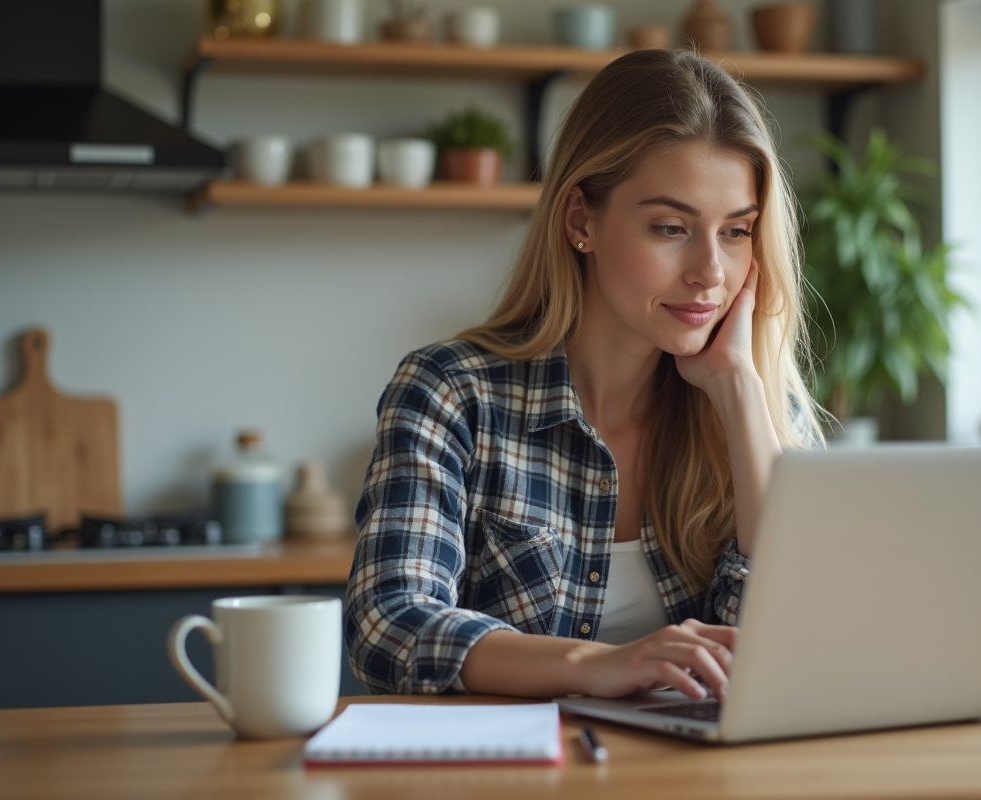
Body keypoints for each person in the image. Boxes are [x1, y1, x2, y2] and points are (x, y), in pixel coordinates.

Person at [345, 49, 823, 703]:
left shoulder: (760, 410)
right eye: (671, 227)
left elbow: (800, 643)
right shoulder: (452, 393)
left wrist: (739, 389)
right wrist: (596, 664)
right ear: (581, 221)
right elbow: (389, 625)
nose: (711, 272)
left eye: (737, 231)